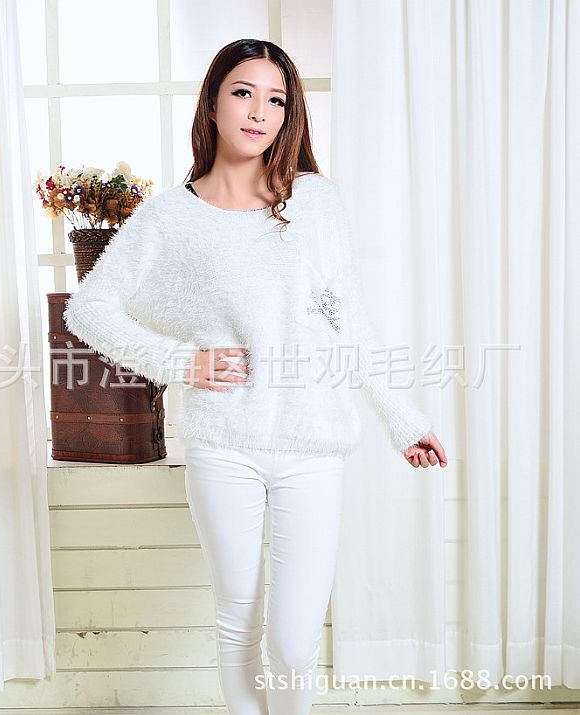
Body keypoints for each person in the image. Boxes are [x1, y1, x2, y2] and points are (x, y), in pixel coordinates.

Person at [64, 38, 447, 715]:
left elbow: (351, 323)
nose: (259, 112)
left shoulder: (314, 202)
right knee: (237, 619)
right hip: (224, 444)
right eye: (243, 92)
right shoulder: (169, 216)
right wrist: (180, 361)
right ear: (213, 103)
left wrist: (404, 421)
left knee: (294, 641)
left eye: (276, 99)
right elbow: (90, 308)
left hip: (313, 443)